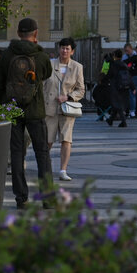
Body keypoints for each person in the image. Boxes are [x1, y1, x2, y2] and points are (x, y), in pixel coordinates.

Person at [0, 18, 53, 210]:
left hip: (12, 110)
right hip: (36, 110)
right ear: (36, 33)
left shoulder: (8, 55)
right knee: (42, 153)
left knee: (17, 153)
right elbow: (47, 74)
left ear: (18, 33)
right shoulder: (41, 56)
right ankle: (47, 198)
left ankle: (21, 198)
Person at [44, 37, 85, 182]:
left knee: (66, 140)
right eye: (62, 48)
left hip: (67, 109)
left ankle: (63, 170)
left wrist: (68, 97)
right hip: (49, 108)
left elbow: (81, 90)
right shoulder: (50, 64)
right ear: (59, 49)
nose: (64, 51)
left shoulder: (77, 67)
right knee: (47, 140)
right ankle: (44, 168)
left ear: (72, 51)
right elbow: (42, 85)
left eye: (68, 48)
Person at [106, 50, 130, 128]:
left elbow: (109, 74)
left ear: (114, 56)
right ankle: (110, 120)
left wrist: (104, 80)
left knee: (117, 104)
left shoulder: (114, 64)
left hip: (115, 86)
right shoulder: (124, 64)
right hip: (124, 86)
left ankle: (123, 121)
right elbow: (128, 76)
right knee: (116, 104)